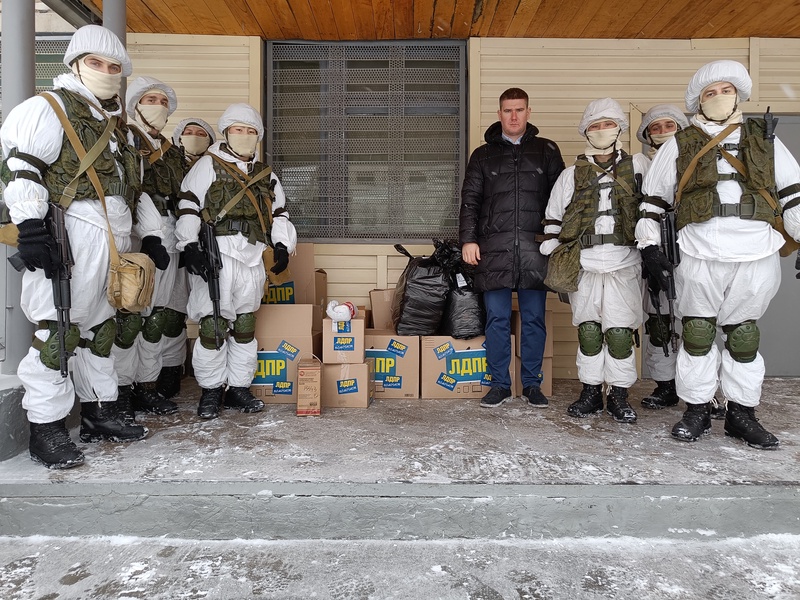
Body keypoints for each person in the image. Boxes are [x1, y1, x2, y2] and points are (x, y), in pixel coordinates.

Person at [0, 25, 148, 468]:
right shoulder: (47, 108)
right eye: (95, 63)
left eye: (113, 67)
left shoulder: (116, 125)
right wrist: (31, 229)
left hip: (111, 239)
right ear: (74, 65)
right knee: (56, 332)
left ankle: (98, 412)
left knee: (99, 333)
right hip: (67, 234)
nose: (105, 72)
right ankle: (46, 430)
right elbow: (21, 169)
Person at [637, 60, 800, 449]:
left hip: (754, 250)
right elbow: (653, 201)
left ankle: (741, 413)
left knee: (743, 336)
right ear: (698, 100)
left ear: (739, 95)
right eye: (710, 92)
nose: (719, 97)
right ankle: (696, 408)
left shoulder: (764, 138)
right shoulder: (680, 142)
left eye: (726, 90)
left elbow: (793, 193)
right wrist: (648, 247)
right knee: (697, 334)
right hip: (699, 250)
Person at [175, 103, 297, 419]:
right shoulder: (207, 166)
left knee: (244, 325)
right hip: (217, 253)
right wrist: (189, 246)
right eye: (238, 130)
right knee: (213, 326)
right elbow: (188, 206)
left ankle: (238, 389)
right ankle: (211, 391)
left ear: (258, 136)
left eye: (250, 131)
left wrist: (283, 246)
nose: (244, 135)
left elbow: (280, 212)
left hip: (253, 255)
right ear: (227, 133)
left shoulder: (265, 174)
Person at [541, 98, 650, 423]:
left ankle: (618, 394)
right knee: (589, 331)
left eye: (608, 124)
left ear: (619, 128)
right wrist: (551, 244)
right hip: (584, 263)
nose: (602, 130)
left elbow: (656, 208)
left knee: (618, 332)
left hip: (625, 262)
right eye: (595, 125)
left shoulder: (639, 166)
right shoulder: (571, 174)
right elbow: (553, 216)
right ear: (586, 131)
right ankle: (590, 390)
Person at [460, 87, 565, 409]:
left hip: (536, 250)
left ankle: (532, 385)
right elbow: (470, 201)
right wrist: (468, 239)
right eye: (508, 110)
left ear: (529, 112)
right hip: (494, 249)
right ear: (499, 114)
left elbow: (562, 200)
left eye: (519, 110)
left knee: (533, 318)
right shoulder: (482, 155)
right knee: (497, 319)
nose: (514, 116)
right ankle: (499, 384)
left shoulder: (546, 151)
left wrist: (558, 239)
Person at [112, 76, 186, 421]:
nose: (157, 105)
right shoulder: (125, 139)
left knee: (156, 318)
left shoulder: (173, 152)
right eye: (149, 99)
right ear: (135, 104)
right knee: (130, 320)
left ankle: (147, 387)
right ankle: (121, 391)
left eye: (161, 100)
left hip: (170, 236)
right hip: (138, 238)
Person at [155, 117, 216, 401]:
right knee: (171, 311)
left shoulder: (219, 166)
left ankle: (216, 382)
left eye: (200, 133)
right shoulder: (165, 162)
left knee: (215, 311)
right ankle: (168, 372)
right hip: (173, 242)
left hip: (214, 246)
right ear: (179, 136)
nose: (194, 136)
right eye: (189, 132)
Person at [635, 104, 689, 410]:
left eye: (669, 125)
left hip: (693, 251)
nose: (663, 131)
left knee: (697, 324)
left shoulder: (694, 160)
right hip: (652, 250)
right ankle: (665, 385)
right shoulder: (640, 165)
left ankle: (706, 391)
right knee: (658, 322)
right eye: (656, 127)